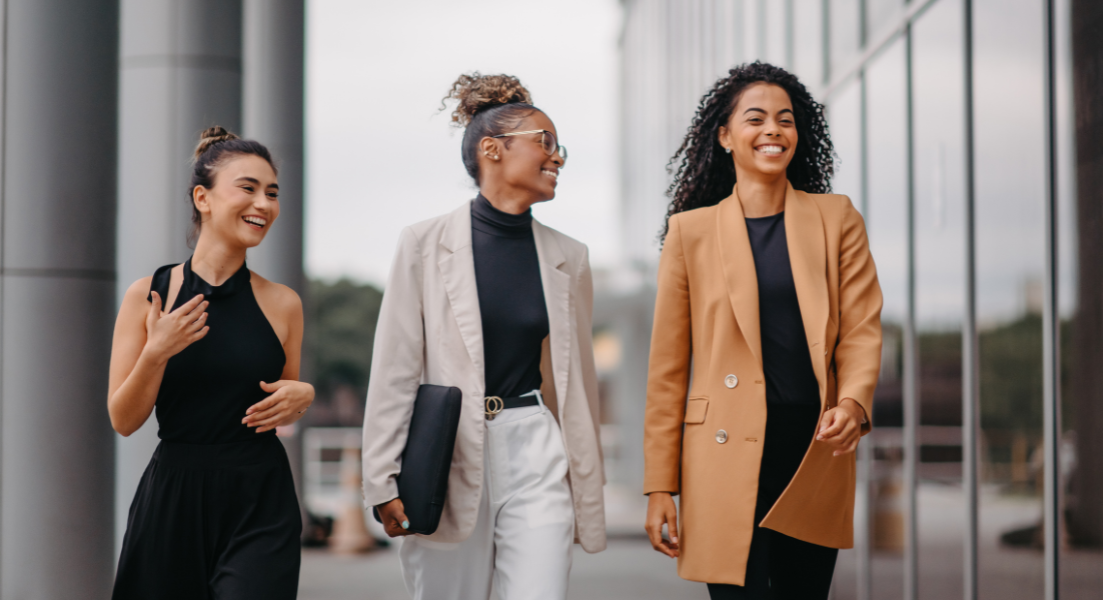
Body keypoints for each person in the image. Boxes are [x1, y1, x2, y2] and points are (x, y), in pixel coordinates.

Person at [642, 61, 883, 599]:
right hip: (720, 450)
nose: (773, 130)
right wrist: (660, 485)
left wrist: (853, 402)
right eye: (756, 119)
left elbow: (862, 328)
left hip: (813, 446)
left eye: (786, 119)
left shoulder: (837, 218)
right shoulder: (690, 234)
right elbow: (667, 370)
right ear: (725, 136)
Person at [361, 72, 606, 600]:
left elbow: (577, 380)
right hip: (448, 448)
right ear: (493, 150)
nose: (558, 156)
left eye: (559, 147)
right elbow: (396, 367)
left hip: (534, 443)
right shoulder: (424, 244)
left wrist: (586, 476)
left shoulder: (571, 257)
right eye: (545, 143)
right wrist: (381, 477)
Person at [108, 126, 312, 599]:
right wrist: (156, 352)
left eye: (272, 193)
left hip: (259, 498)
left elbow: (282, 401)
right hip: (173, 496)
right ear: (203, 198)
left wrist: (304, 395)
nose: (264, 204)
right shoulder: (148, 295)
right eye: (248, 188)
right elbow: (124, 419)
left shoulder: (284, 304)